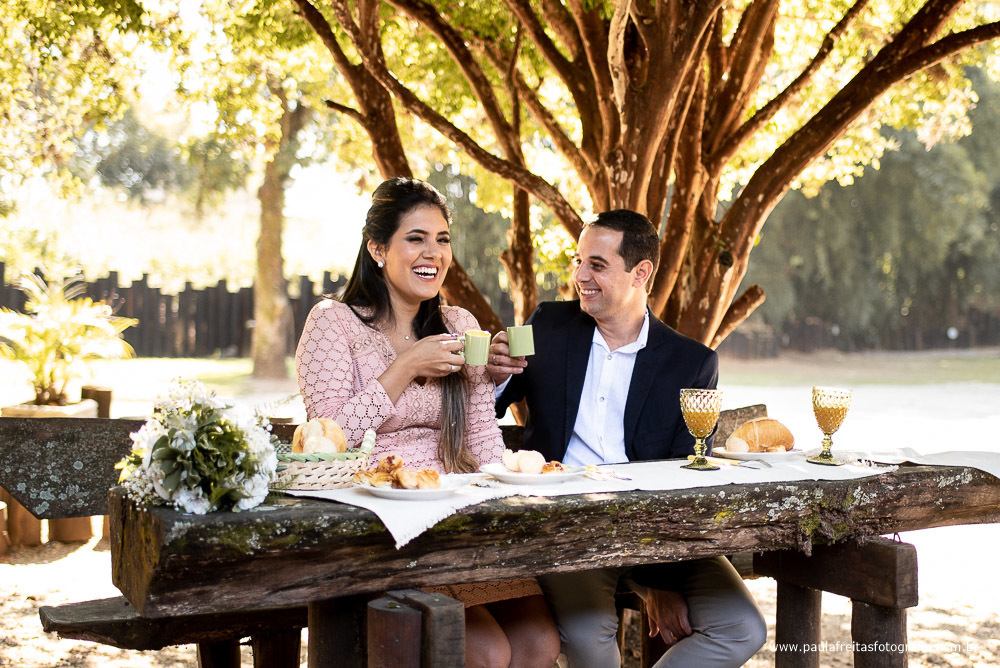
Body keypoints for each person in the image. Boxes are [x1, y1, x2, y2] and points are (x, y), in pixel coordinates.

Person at [295, 177, 560, 668]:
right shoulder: (333, 323)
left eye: (442, 240)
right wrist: (404, 368)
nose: (433, 253)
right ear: (377, 248)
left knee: (540, 644)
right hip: (380, 521)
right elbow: (324, 443)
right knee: (487, 651)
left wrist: (514, 480)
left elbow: (482, 435)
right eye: (416, 238)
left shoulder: (460, 325)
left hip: (461, 515)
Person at [488, 209, 767, 667]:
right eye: (578, 261)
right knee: (589, 641)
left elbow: (686, 476)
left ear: (641, 273)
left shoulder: (691, 363)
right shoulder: (547, 327)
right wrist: (495, 376)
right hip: (567, 528)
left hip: (658, 531)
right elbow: (489, 408)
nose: (580, 276)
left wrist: (661, 578)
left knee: (743, 628)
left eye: (597, 265)